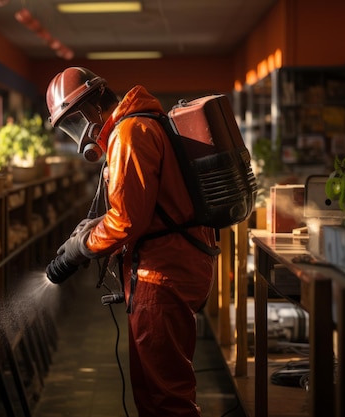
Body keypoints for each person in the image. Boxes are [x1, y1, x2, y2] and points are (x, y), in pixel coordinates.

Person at [44, 67, 217, 417]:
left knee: (165, 398)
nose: (78, 138)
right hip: (175, 268)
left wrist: (82, 247)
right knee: (156, 391)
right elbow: (146, 205)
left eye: (73, 125)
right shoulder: (144, 123)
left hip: (161, 277)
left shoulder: (129, 133)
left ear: (92, 110)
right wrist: (96, 226)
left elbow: (126, 222)